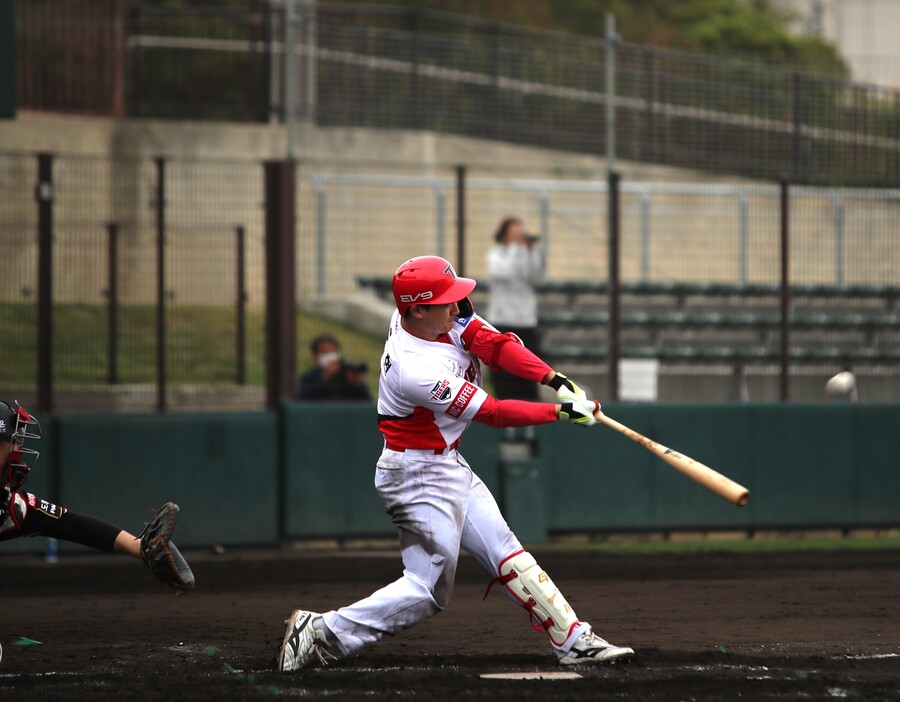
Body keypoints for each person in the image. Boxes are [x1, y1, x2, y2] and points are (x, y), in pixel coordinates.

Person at [278, 255, 633, 671]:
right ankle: (322, 632)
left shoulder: (438, 316)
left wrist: (554, 381)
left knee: (507, 552)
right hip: (415, 476)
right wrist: (559, 413)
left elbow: (495, 346)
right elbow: (494, 413)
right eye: (446, 301)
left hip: (446, 464)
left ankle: (572, 640)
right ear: (416, 310)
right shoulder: (415, 369)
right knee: (427, 592)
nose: (458, 305)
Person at [0, 400, 194, 594]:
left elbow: (73, 525)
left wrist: (142, 548)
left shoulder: (11, 505)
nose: (16, 452)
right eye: (11, 443)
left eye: (17, 443)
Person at [487, 216, 545, 400]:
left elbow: (538, 278)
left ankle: (530, 411)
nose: (518, 237)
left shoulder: (526, 254)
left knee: (528, 370)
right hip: (503, 320)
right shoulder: (496, 255)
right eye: (514, 233)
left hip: (526, 320)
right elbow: (504, 273)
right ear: (504, 236)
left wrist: (531, 251)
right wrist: (515, 249)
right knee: (504, 372)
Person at [296, 334, 372, 402]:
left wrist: (358, 385)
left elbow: (367, 402)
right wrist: (325, 378)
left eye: (333, 352)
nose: (330, 356)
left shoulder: (346, 375)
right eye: (325, 352)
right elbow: (302, 399)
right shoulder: (309, 377)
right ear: (314, 355)